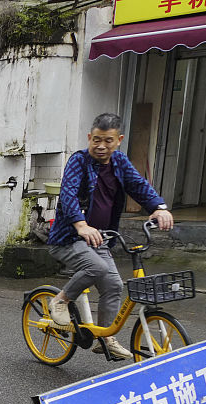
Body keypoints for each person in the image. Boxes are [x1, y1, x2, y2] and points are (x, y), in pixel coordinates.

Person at [46, 113, 174, 360]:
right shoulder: (79, 161)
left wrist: (159, 207)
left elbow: (138, 186)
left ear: (119, 140)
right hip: (69, 238)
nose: (101, 146)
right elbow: (68, 195)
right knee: (96, 267)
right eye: (96, 140)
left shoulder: (120, 162)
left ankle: (105, 339)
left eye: (108, 140)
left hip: (101, 238)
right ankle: (60, 300)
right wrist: (81, 225)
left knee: (114, 285)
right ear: (89, 137)